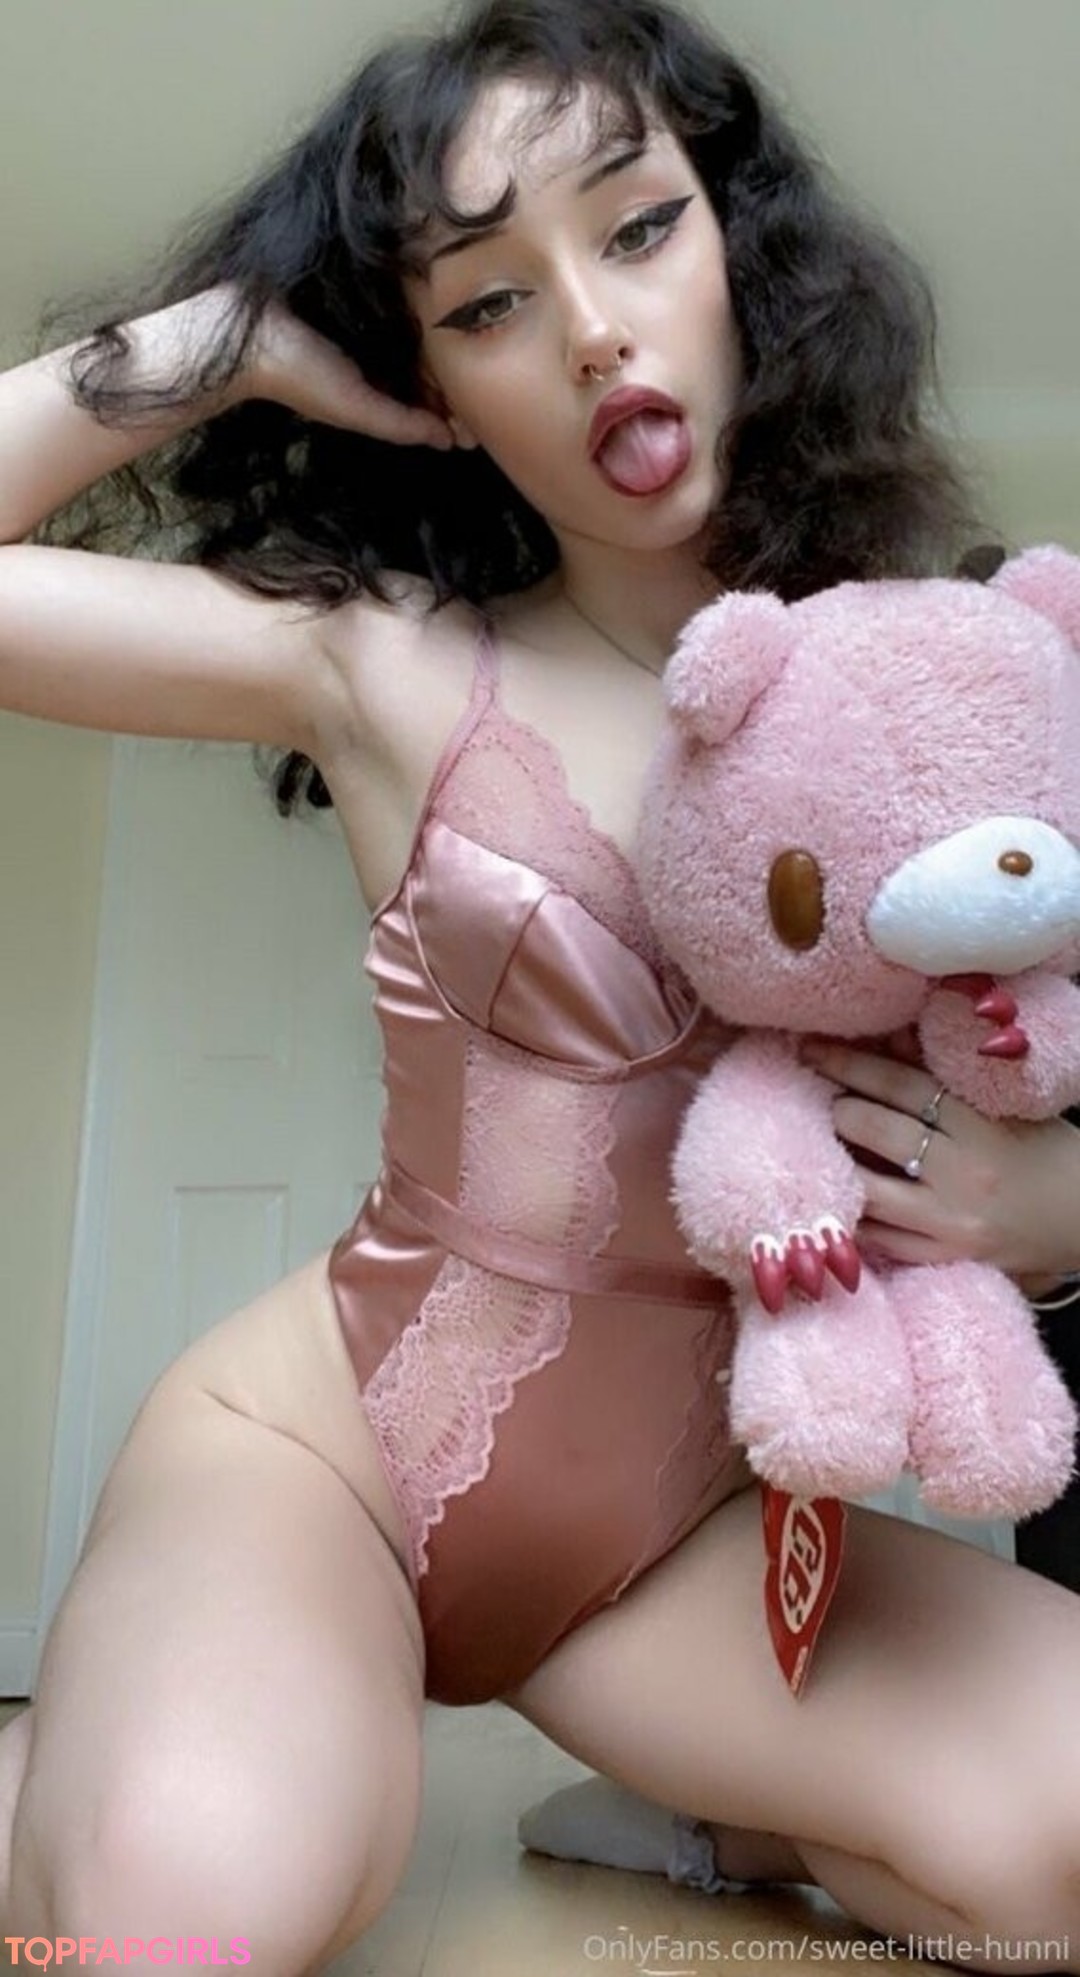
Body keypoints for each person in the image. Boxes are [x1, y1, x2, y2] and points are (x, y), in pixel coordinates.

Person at [1, 1, 1078, 1968]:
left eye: (639, 227)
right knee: (183, 1911)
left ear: (739, 244)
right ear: (428, 380)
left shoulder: (938, 681)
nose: (590, 328)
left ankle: (713, 1812)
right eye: (488, 299)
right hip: (320, 1462)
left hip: (677, 1549)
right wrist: (222, 341)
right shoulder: (381, 659)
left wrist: (1057, 1203)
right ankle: (84, 1764)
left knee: (1061, 1849)